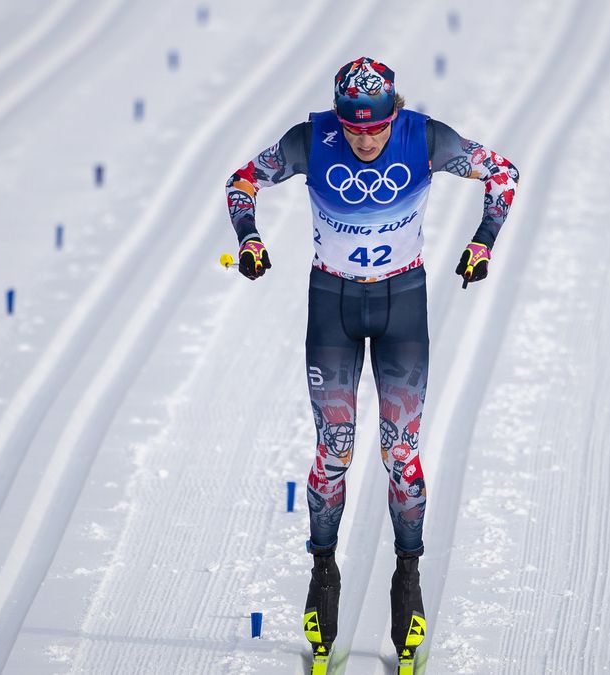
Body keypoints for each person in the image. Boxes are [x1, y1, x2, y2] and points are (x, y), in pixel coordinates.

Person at [223, 56, 519, 671]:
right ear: (339, 119)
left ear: (394, 115)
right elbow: (241, 180)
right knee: (334, 449)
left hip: (400, 304)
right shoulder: (311, 139)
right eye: (354, 128)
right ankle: (323, 572)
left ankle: (407, 581)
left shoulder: (424, 136)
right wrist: (249, 237)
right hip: (332, 303)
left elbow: (503, 173)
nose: (364, 139)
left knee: (399, 454)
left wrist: (482, 244)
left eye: (376, 128)